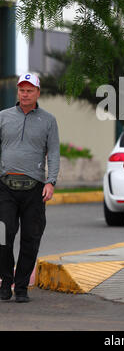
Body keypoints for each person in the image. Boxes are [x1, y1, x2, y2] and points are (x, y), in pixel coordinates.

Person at [0, 73, 60, 302]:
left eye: (29, 90)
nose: (25, 94)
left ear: (38, 93)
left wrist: (51, 181)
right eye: (21, 90)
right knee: (2, 237)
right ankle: (6, 282)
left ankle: (22, 287)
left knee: (30, 238)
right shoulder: (3, 117)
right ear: (18, 92)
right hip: (5, 187)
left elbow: (53, 152)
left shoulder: (48, 120)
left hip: (34, 189)